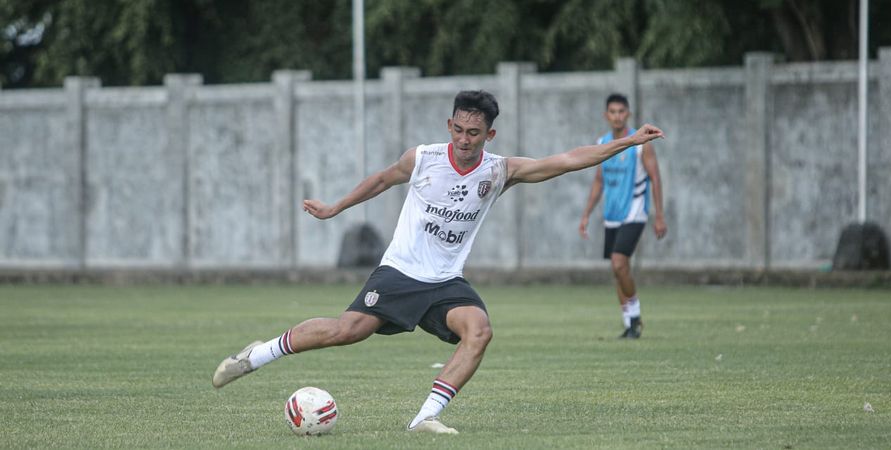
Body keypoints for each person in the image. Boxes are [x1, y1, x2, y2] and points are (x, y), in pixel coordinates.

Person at [213, 90, 664, 434]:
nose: (464, 141)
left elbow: (566, 161)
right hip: (400, 272)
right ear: (450, 124)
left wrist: (629, 142)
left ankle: (425, 418)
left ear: (490, 134)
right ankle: (258, 354)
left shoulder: (498, 170)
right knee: (344, 331)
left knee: (480, 330)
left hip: (445, 280)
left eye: (474, 134)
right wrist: (335, 208)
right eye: (458, 130)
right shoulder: (424, 158)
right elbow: (382, 180)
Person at [578, 93, 667, 339]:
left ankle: (635, 313)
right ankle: (630, 324)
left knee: (619, 262)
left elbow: (655, 178)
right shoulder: (603, 142)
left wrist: (659, 215)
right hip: (612, 215)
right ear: (606, 115)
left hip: (635, 212)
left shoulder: (641, 143)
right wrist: (586, 214)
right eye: (612, 112)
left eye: (621, 111)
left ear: (627, 114)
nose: (617, 116)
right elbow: (598, 181)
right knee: (618, 270)